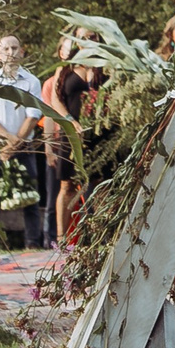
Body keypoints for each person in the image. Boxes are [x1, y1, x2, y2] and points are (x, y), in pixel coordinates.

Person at [0, 35, 45, 249]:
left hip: (24, 147)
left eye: (15, 48)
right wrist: (7, 141)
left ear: (22, 52)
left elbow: (33, 116)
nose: (11, 52)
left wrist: (14, 145)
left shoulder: (31, 82)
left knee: (30, 198)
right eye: (6, 48)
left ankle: (33, 245)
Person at [41, 31, 105, 246]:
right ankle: (61, 238)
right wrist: (70, 120)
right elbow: (55, 101)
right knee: (67, 185)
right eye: (83, 36)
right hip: (71, 133)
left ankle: (101, 234)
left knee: (100, 183)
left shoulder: (106, 66)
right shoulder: (65, 69)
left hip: (99, 133)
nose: (88, 40)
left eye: (93, 36)